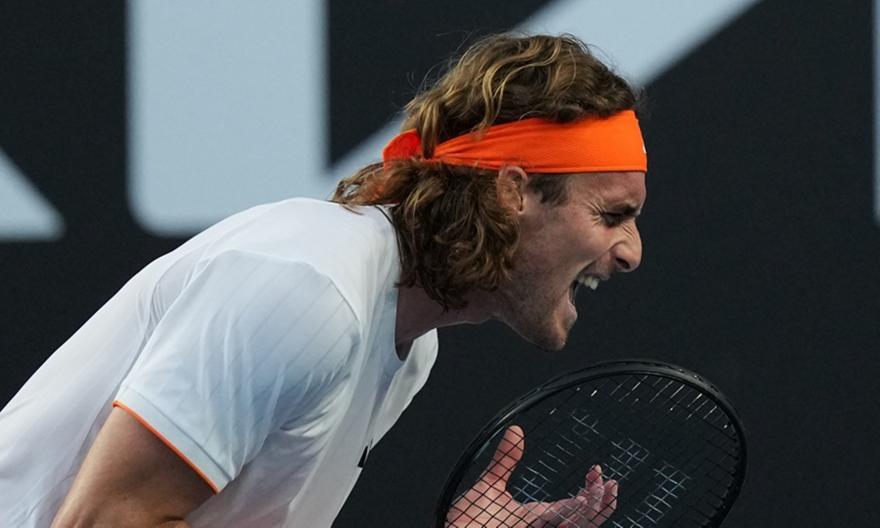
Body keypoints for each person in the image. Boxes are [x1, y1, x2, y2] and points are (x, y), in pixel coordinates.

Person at [0, 33, 646, 527]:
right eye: (612, 215)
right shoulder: (309, 286)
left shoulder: (410, 343)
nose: (631, 253)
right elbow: (106, 520)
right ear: (514, 193)